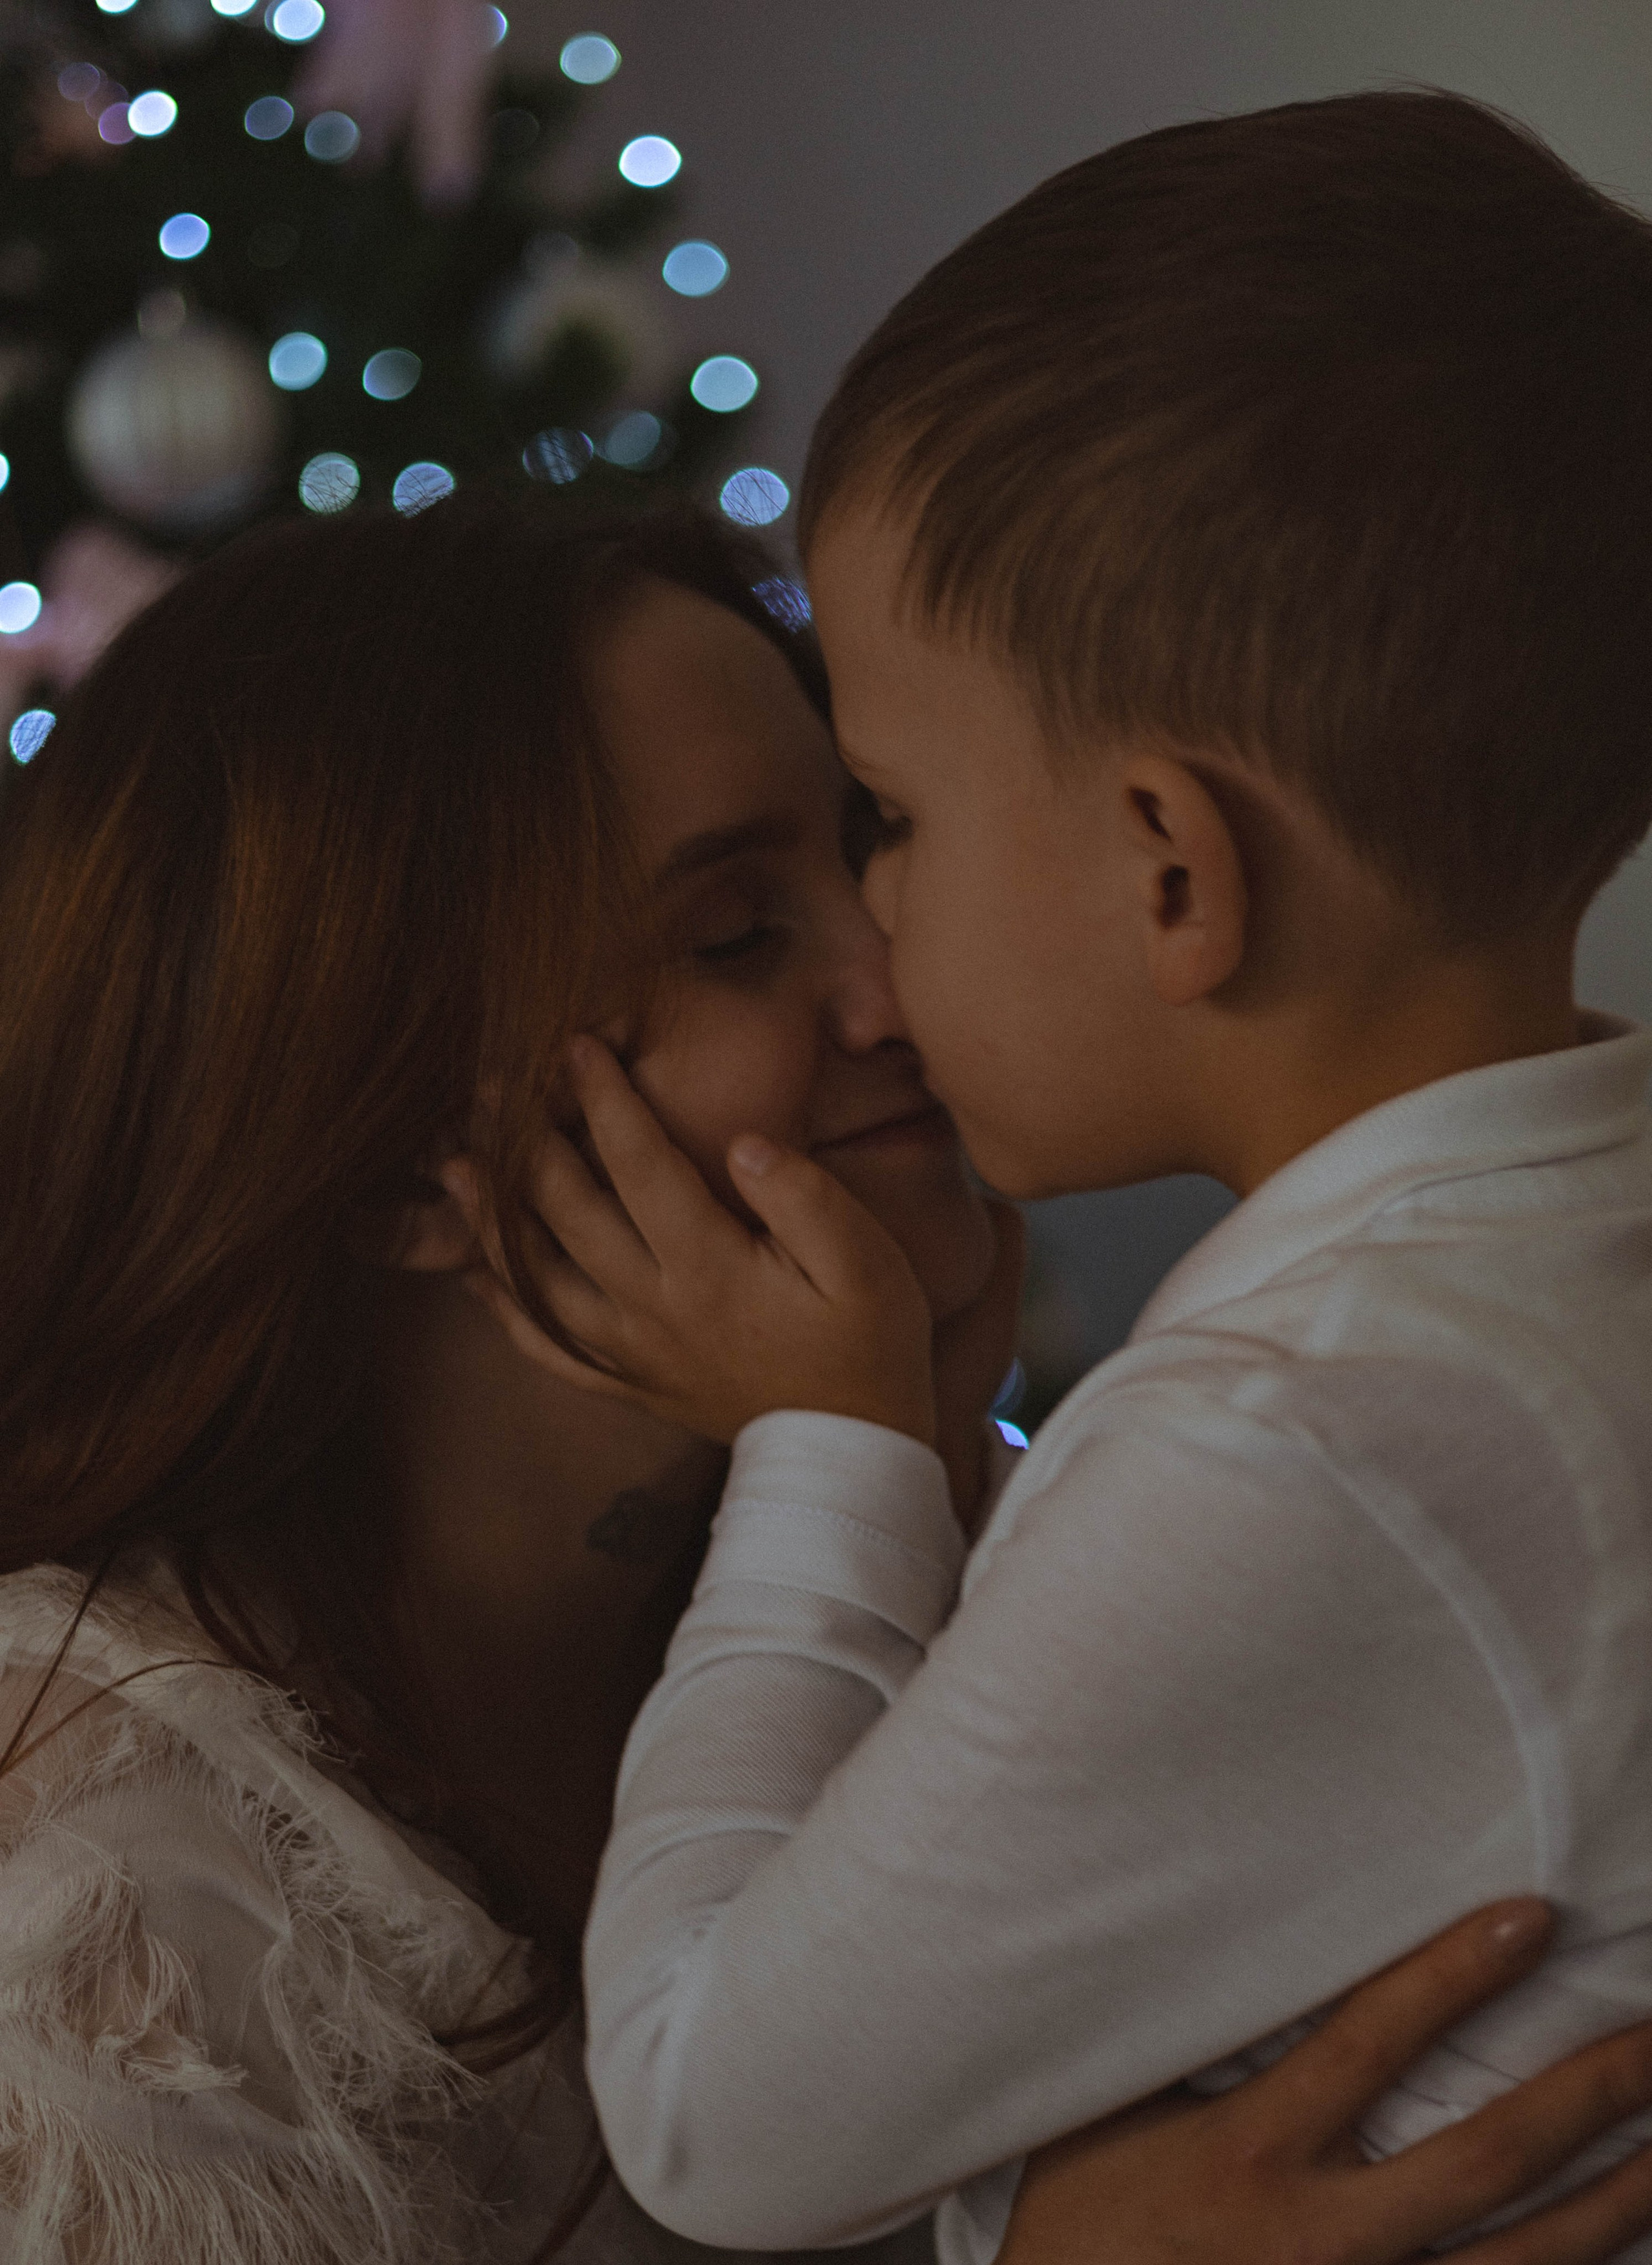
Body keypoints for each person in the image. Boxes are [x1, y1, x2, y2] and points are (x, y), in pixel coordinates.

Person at [8, 490, 1632, 2264]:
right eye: (732, 937)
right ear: (404, 1162)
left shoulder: (1022, 1577)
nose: (900, 981)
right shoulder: (109, 1899)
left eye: (874, 844)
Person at [468, 90, 1652, 2265]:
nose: (875, 947)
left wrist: (825, 1444)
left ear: (1173, 871)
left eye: (892, 816)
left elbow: (712, 2116)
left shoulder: (1309, 1438)